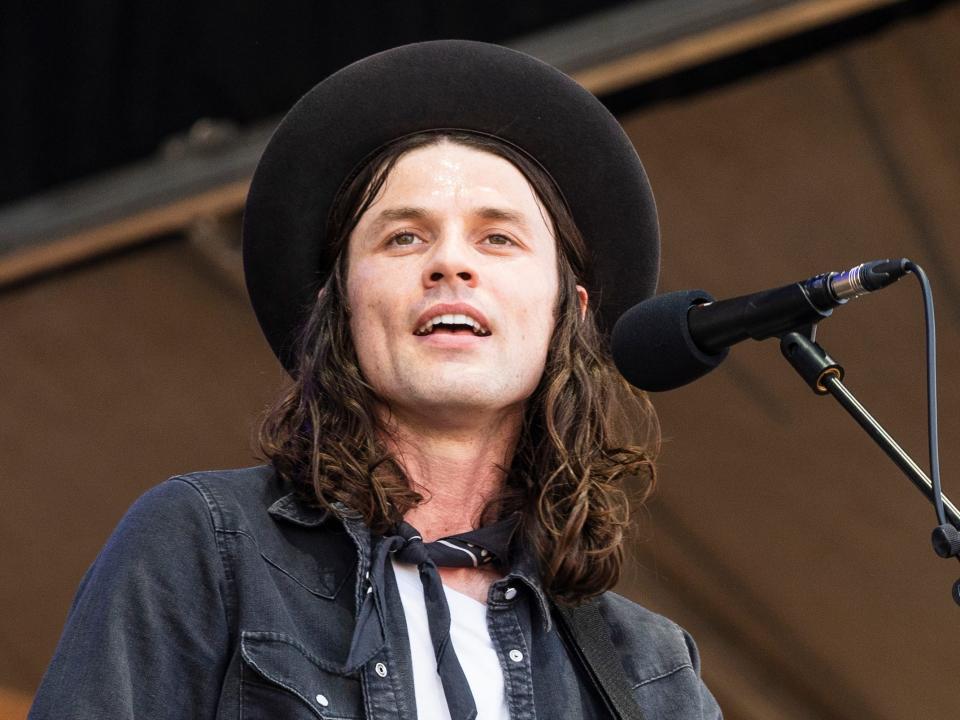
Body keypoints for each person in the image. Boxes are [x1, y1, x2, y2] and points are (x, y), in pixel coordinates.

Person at [30, 41, 721, 719]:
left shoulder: (648, 670)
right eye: (404, 238)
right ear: (340, 306)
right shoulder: (204, 544)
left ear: (566, 312)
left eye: (498, 239)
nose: (452, 263)